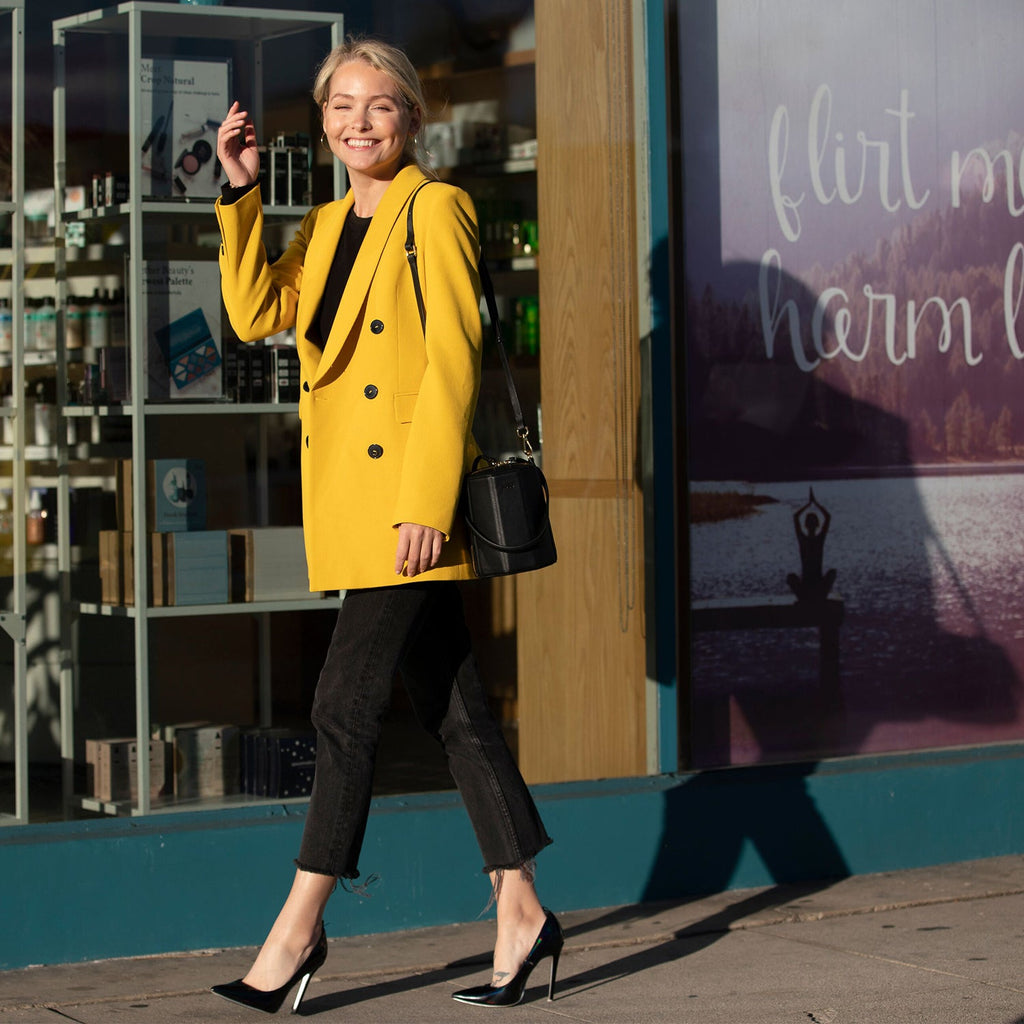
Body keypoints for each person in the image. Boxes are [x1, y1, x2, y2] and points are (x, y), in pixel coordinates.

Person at [209, 37, 560, 1014]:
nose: (358, 123)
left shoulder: (434, 207)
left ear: (410, 117)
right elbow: (255, 315)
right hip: (356, 503)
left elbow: (453, 358)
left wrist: (425, 502)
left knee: (342, 708)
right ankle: (522, 909)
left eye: (379, 106)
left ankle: (297, 929)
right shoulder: (324, 224)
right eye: (341, 106)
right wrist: (240, 195)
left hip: (406, 506)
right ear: (322, 120)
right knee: (456, 710)